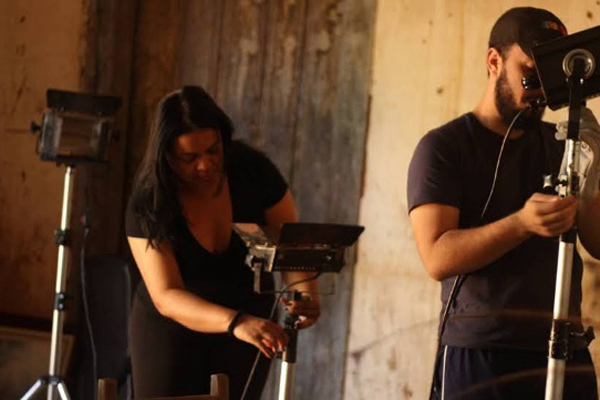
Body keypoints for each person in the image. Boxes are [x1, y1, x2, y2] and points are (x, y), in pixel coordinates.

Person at [407, 7, 600, 400]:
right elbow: (437, 258)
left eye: (551, 75)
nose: (542, 89)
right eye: (531, 71)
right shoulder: (444, 147)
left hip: (567, 346)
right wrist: (522, 224)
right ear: (494, 61)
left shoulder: (566, 142)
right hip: (484, 351)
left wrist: (593, 173)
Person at [126, 85, 320, 399]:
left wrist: (304, 293)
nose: (204, 165)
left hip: (251, 316)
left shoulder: (252, 170)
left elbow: (289, 244)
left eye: (212, 150)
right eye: (188, 157)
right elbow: (166, 295)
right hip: (174, 324)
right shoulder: (150, 199)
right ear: (167, 155)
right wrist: (235, 322)